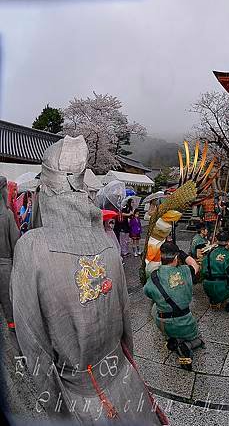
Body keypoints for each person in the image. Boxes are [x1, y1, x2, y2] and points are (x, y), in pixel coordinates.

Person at [11, 135, 166, 423]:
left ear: (45, 188)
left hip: (79, 400)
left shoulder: (32, 247)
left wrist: (58, 412)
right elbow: (125, 324)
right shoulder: (106, 239)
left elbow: (34, 346)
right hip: (124, 380)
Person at [144, 241, 203, 370]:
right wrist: (183, 254)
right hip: (186, 323)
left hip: (164, 324)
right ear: (177, 258)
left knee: (154, 308)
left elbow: (148, 293)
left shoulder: (153, 276)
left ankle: (172, 338)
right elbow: (195, 265)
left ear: (161, 257)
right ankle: (186, 345)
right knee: (198, 339)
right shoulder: (186, 271)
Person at [201, 231, 229, 312]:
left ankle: (214, 301)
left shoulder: (209, 253)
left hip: (207, 287)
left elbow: (203, 269)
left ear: (217, 241)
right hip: (221, 288)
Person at [0, 176, 20, 331]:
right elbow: (15, 243)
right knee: (9, 303)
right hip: (5, 265)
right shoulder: (6, 215)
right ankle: (12, 327)